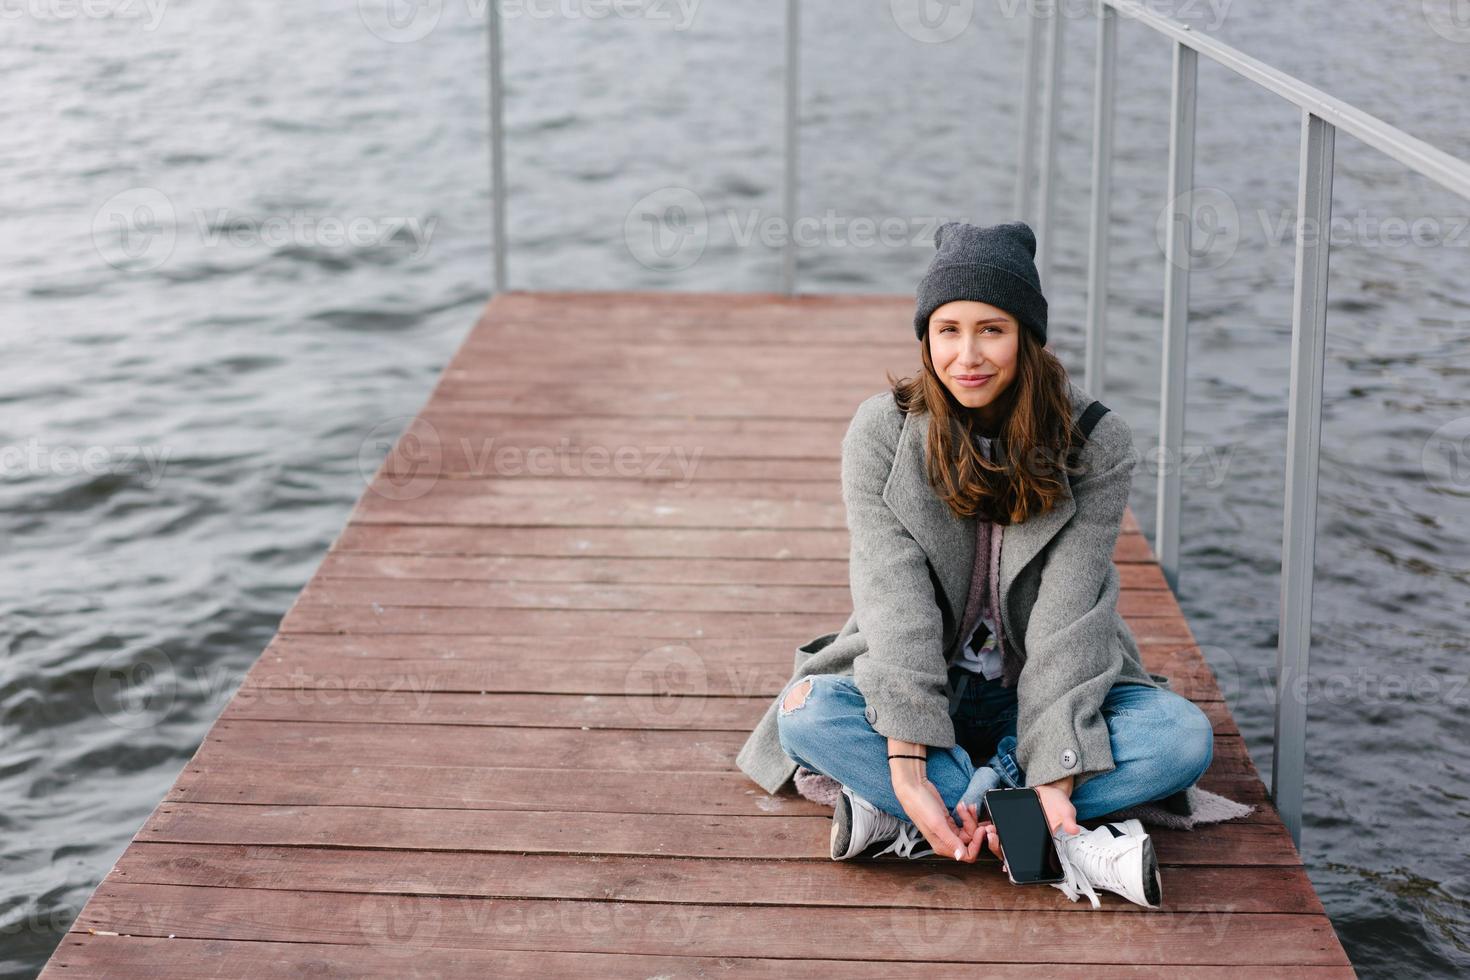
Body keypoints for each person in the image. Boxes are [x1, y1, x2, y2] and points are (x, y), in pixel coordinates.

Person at [734, 220, 1215, 910]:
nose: (968, 354)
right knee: (806, 715)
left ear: (1026, 334)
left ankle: (921, 821)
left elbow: (1070, 616)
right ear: (926, 338)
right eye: (948, 330)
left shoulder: (1094, 439)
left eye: (991, 329)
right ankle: (1043, 834)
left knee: (1180, 739)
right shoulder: (884, 430)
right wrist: (905, 766)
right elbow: (891, 599)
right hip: (924, 685)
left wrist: (1052, 769)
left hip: (1046, 687)